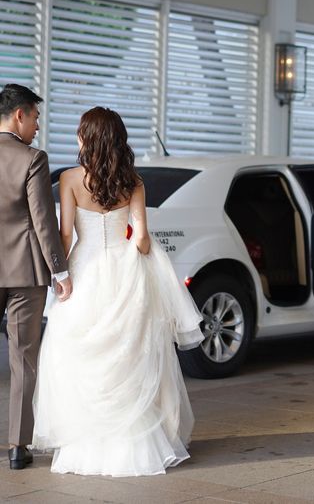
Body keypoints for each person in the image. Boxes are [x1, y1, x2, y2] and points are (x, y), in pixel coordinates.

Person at [31, 107, 204, 477]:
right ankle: (136, 444)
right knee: (130, 358)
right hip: (125, 274)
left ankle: (86, 442)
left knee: (76, 357)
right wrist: (141, 253)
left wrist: (61, 275)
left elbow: (65, 236)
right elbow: (141, 239)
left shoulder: (70, 179)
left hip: (84, 270)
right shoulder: (134, 182)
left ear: (88, 138)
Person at [0, 84, 73, 470]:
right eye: (36, 117)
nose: (38, 126)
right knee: (24, 359)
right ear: (20, 115)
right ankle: (17, 447)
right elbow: (44, 220)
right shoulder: (32, 159)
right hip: (25, 271)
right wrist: (60, 271)